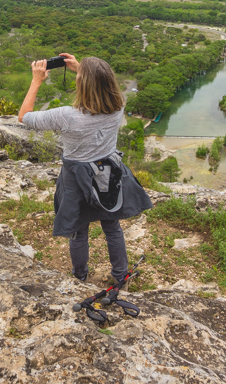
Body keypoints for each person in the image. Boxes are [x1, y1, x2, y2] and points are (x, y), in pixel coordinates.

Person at [18, 53, 152, 283]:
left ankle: (80, 278)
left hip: (75, 178)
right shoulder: (119, 105)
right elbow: (104, 86)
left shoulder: (66, 116)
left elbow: (24, 116)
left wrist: (36, 81)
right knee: (112, 227)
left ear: (82, 85)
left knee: (79, 232)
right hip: (108, 173)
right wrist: (82, 69)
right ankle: (120, 275)